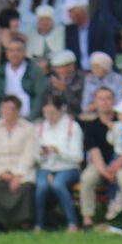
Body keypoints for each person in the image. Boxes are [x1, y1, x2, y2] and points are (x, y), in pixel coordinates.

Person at [79, 89, 122, 233]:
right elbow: (94, 152)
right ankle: (87, 218)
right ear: (95, 103)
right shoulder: (91, 126)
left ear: (113, 102)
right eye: (101, 99)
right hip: (100, 164)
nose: (105, 102)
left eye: (108, 98)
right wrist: (105, 171)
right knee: (87, 177)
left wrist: (119, 163)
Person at [0, 94, 38, 230]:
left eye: (10, 109)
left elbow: (30, 154)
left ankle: (23, 222)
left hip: (21, 168)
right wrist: (2, 173)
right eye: (4, 108)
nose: (6, 112)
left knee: (25, 188)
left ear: (18, 111)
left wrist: (18, 175)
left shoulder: (28, 128)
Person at [31, 94, 84, 232]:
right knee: (41, 187)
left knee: (58, 184)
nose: (49, 116)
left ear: (62, 110)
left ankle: (72, 223)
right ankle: (38, 224)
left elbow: (78, 157)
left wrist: (58, 151)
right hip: (46, 166)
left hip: (68, 168)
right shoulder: (40, 127)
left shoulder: (73, 127)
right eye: (46, 113)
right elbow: (35, 155)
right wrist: (42, 154)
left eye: (53, 113)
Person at [0, 36, 43, 120]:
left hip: (30, 118)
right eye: (11, 50)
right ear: (7, 53)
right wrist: (4, 116)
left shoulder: (35, 70)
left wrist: (30, 118)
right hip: (5, 118)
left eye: (18, 50)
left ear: (25, 52)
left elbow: (40, 97)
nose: (14, 54)